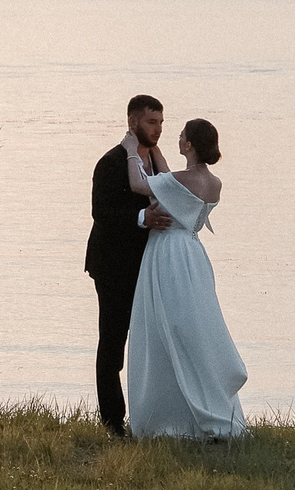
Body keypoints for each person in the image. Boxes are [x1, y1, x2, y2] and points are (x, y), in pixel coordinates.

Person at [122, 117, 247, 439]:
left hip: (168, 253)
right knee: (193, 324)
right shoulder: (213, 183)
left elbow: (141, 184)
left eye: (181, 135)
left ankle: (168, 414)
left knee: (167, 324)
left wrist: (131, 152)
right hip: (193, 254)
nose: (177, 138)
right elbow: (169, 182)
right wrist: (157, 151)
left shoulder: (180, 180)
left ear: (188, 144)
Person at [84, 94, 175, 436]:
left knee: (153, 341)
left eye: (162, 122)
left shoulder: (155, 162)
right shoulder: (111, 162)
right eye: (152, 122)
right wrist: (142, 217)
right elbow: (102, 214)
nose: (159, 129)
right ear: (133, 122)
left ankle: (153, 415)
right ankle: (112, 422)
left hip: (149, 266)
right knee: (112, 342)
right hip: (112, 266)